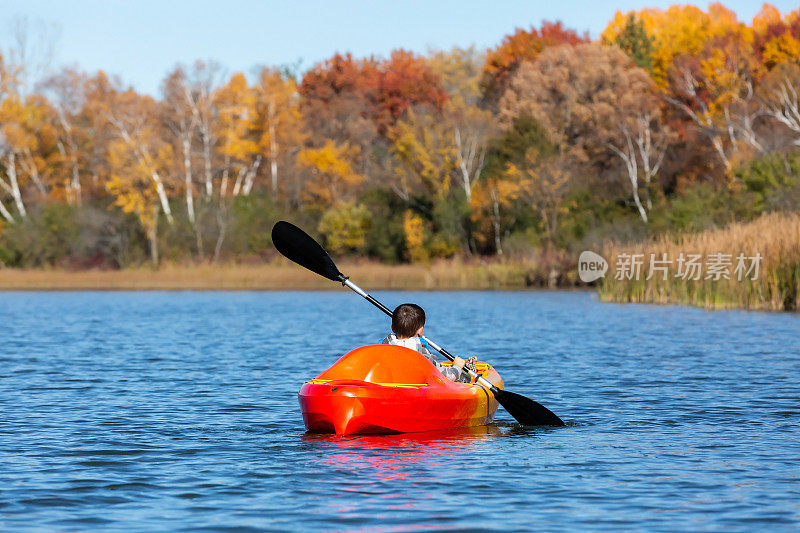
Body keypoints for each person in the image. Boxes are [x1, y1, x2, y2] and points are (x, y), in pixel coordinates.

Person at [381, 303, 469, 383]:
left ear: (392, 327)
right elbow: (448, 377)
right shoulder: (421, 351)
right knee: (465, 377)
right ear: (420, 330)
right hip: (415, 389)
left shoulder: (384, 345)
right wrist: (457, 367)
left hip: (390, 384)